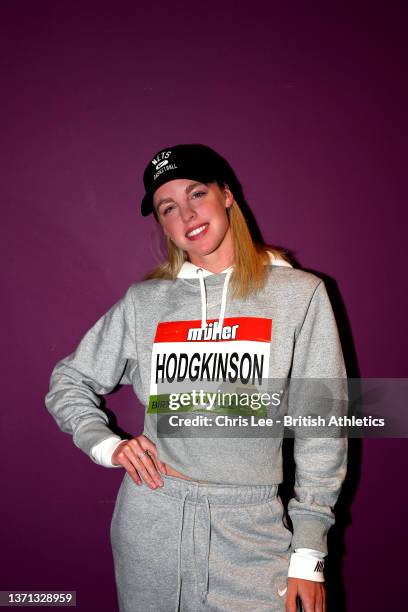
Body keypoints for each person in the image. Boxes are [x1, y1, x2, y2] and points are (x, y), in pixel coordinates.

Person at [45, 143, 348, 612]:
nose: (187, 215)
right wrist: (106, 444)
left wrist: (309, 555)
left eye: (197, 194)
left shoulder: (300, 295)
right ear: (162, 224)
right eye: (169, 208)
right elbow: (69, 380)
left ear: (227, 196)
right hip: (152, 520)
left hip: (250, 532)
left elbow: (321, 428)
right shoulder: (146, 302)